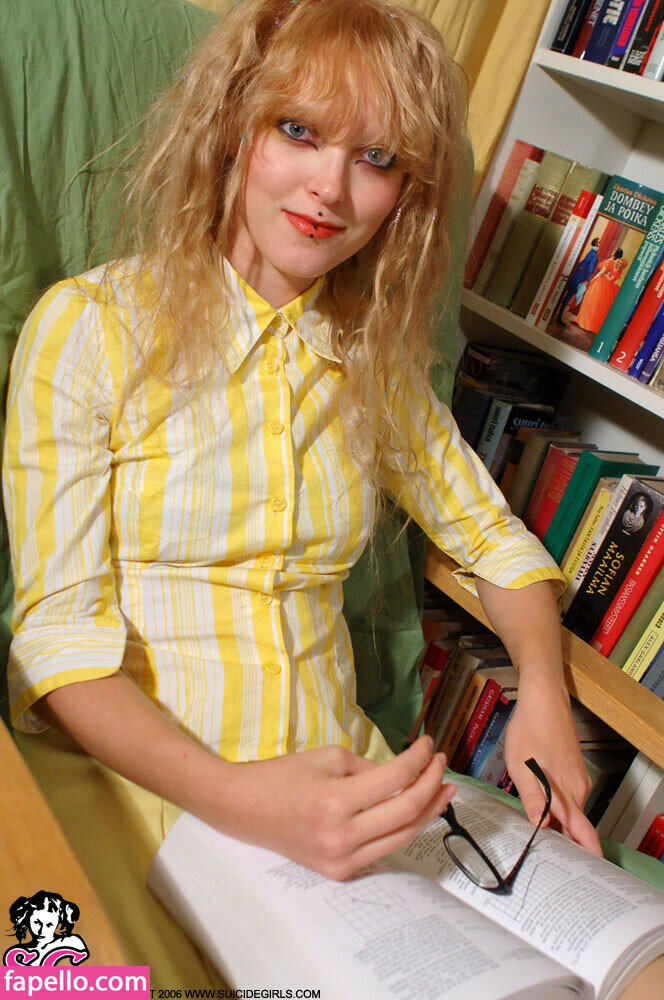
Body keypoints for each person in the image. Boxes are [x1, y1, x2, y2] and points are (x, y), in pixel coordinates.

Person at [3, 0, 663, 991]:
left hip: (360, 792)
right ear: (233, 125)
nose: (330, 188)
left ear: (405, 194)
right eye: (298, 130)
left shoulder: (372, 366)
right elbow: (58, 644)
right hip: (157, 800)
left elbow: (496, 542)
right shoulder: (92, 326)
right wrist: (244, 800)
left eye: (378, 158)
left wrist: (539, 693)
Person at [4, 891, 89, 967]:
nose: (41, 931)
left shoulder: (72, 943)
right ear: (28, 919)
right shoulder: (18, 954)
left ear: (58, 922)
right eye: (37, 923)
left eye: (49, 925)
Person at [575, 247, 628, 334]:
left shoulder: (609, 262)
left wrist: (592, 280)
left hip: (600, 282)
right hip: (604, 283)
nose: (612, 251)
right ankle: (585, 322)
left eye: (614, 251)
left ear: (615, 254)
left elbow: (602, 272)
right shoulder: (612, 263)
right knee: (593, 303)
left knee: (591, 301)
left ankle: (586, 323)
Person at [556, 236, 600, 324]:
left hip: (578, 275)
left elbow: (582, 263)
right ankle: (559, 316)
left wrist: (576, 271)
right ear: (596, 243)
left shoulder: (591, 252)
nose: (600, 244)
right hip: (581, 278)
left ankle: (559, 315)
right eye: (599, 242)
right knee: (569, 296)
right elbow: (590, 268)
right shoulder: (593, 255)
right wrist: (586, 280)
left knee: (568, 295)